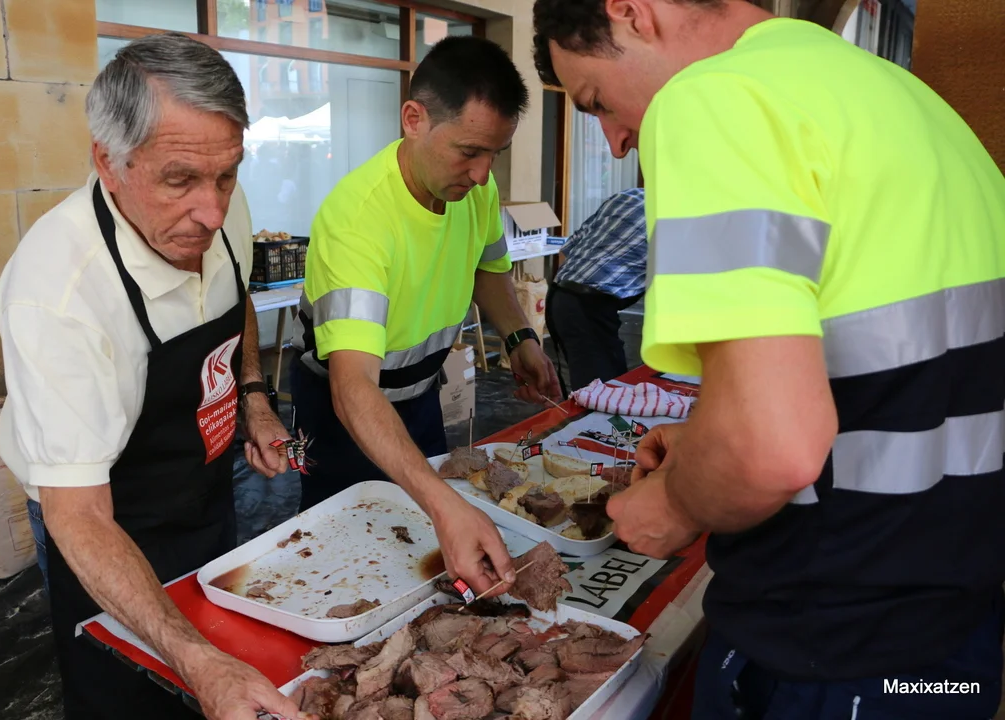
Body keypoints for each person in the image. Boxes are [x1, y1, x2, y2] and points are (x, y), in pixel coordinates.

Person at [533, 1, 1005, 718]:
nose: (618, 140)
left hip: (827, 645)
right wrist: (712, 436)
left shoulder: (716, 97)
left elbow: (771, 451)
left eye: (597, 101)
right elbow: (906, 377)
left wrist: (677, 501)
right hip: (954, 636)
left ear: (630, 11)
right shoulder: (906, 100)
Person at [0, 34, 304, 720]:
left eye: (227, 175)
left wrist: (252, 396)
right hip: (102, 515)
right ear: (108, 161)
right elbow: (80, 516)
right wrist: (196, 661)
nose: (213, 211)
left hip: (203, 486)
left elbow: (235, 298)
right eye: (179, 180)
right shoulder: (58, 291)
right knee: (127, 692)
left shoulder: (220, 210)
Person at [290, 36, 562, 598]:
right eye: (469, 152)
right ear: (413, 119)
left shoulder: (474, 191)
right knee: (346, 559)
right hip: (345, 410)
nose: (482, 174)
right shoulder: (358, 221)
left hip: (420, 394)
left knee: (428, 542)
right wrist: (444, 505)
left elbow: (489, 269)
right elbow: (352, 387)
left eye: (495, 154)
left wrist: (520, 338)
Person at [547, 186, 647, 392]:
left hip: (559, 293)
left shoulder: (628, 196)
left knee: (595, 385)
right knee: (603, 394)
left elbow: (566, 250)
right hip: (589, 306)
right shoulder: (677, 218)